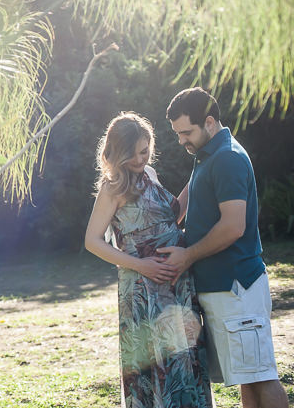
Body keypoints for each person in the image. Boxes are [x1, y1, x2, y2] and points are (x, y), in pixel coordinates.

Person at [157, 87, 289, 408]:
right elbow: (190, 193)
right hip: (221, 290)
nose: (181, 140)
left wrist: (187, 255)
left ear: (209, 122)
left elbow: (233, 226)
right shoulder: (207, 154)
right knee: (246, 376)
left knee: (261, 376)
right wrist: (161, 218)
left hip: (237, 288)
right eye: (177, 133)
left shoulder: (227, 158)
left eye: (186, 132)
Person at [85, 112, 213, 408]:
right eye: (132, 154)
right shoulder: (112, 187)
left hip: (177, 286)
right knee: (156, 365)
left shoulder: (150, 174)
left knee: (184, 361)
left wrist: (200, 173)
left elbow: (171, 216)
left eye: (144, 151)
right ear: (117, 153)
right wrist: (141, 265)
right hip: (144, 291)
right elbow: (92, 241)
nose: (140, 159)